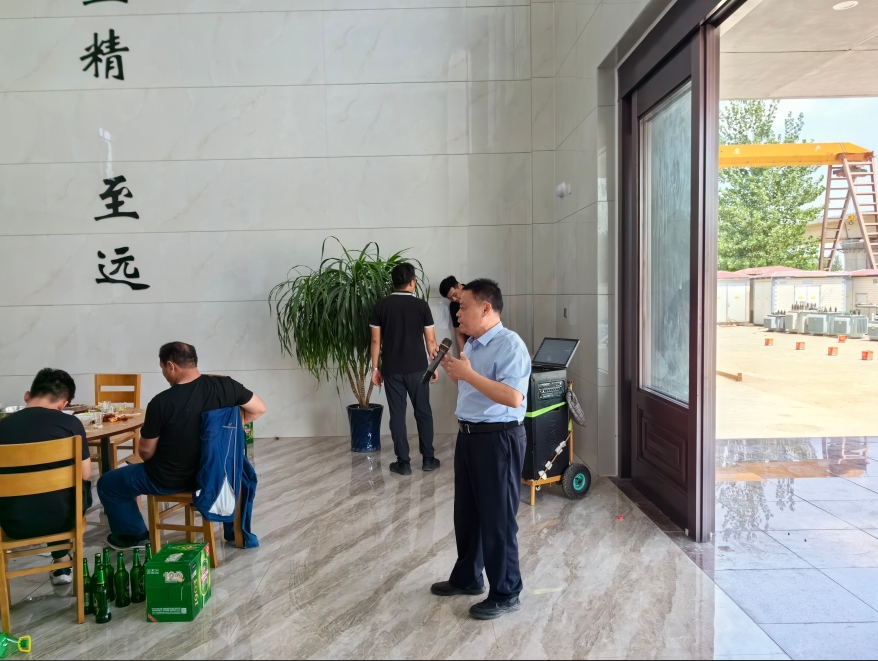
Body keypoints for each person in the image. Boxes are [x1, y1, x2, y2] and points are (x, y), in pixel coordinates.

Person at [97, 342, 266, 549]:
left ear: (171, 366)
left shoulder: (161, 402)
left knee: (108, 484)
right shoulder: (227, 386)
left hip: (171, 480)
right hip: (218, 475)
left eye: (162, 368)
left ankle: (134, 536)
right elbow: (259, 408)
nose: (164, 374)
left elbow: (146, 452)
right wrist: (225, 430)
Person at [430, 278, 531, 620]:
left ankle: (506, 592)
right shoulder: (472, 344)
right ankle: (468, 577)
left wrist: (469, 375)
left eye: (463, 307)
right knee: (468, 514)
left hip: (498, 439)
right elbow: (473, 386)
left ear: (486, 308)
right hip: (469, 436)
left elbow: (513, 397)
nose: (457, 313)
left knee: (497, 519)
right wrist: (453, 370)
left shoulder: (510, 345)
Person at [0, 368, 92, 586]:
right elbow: (85, 473)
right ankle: (62, 561)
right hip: (63, 519)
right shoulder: (71, 424)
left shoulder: (2, 426)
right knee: (72, 490)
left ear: (27, 396)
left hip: (13, 522)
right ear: (63, 404)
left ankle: (60, 561)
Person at [370, 263, 440, 476]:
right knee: (423, 412)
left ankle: (403, 463)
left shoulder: (381, 305)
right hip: (419, 369)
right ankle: (428, 459)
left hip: (392, 370)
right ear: (412, 282)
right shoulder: (421, 306)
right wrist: (433, 366)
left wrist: (375, 368)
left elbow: (375, 341)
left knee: (397, 416)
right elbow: (431, 340)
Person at [439, 275, 467, 354]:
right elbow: (459, 334)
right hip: (471, 345)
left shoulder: (475, 293)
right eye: (450, 298)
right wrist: (462, 356)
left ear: (459, 286)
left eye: (454, 294)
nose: (454, 299)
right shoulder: (454, 306)